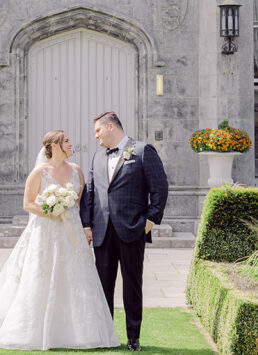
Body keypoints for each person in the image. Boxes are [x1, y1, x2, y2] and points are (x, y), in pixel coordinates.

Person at [0, 130, 120, 350]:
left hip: (72, 233)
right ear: (54, 146)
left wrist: (79, 221)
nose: (71, 144)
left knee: (75, 278)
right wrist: (51, 210)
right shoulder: (39, 172)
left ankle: (81, 333)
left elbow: (80, 202)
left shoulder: (76, 170)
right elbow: (28, 204)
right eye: (67, 141)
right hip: (45, 231)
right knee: (41, 276)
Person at [80, 111, 169, 352]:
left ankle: (133, 338)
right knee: (102, 288)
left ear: (111, 127)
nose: (96, 136)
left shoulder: (142, 151)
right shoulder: (97, 158)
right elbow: (90, 195)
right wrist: (87, 225)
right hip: (102, 233)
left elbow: (159, 188)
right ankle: (105, 336)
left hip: (132, 230)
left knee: (132, 285)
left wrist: (150, 221)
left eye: (98, 131)